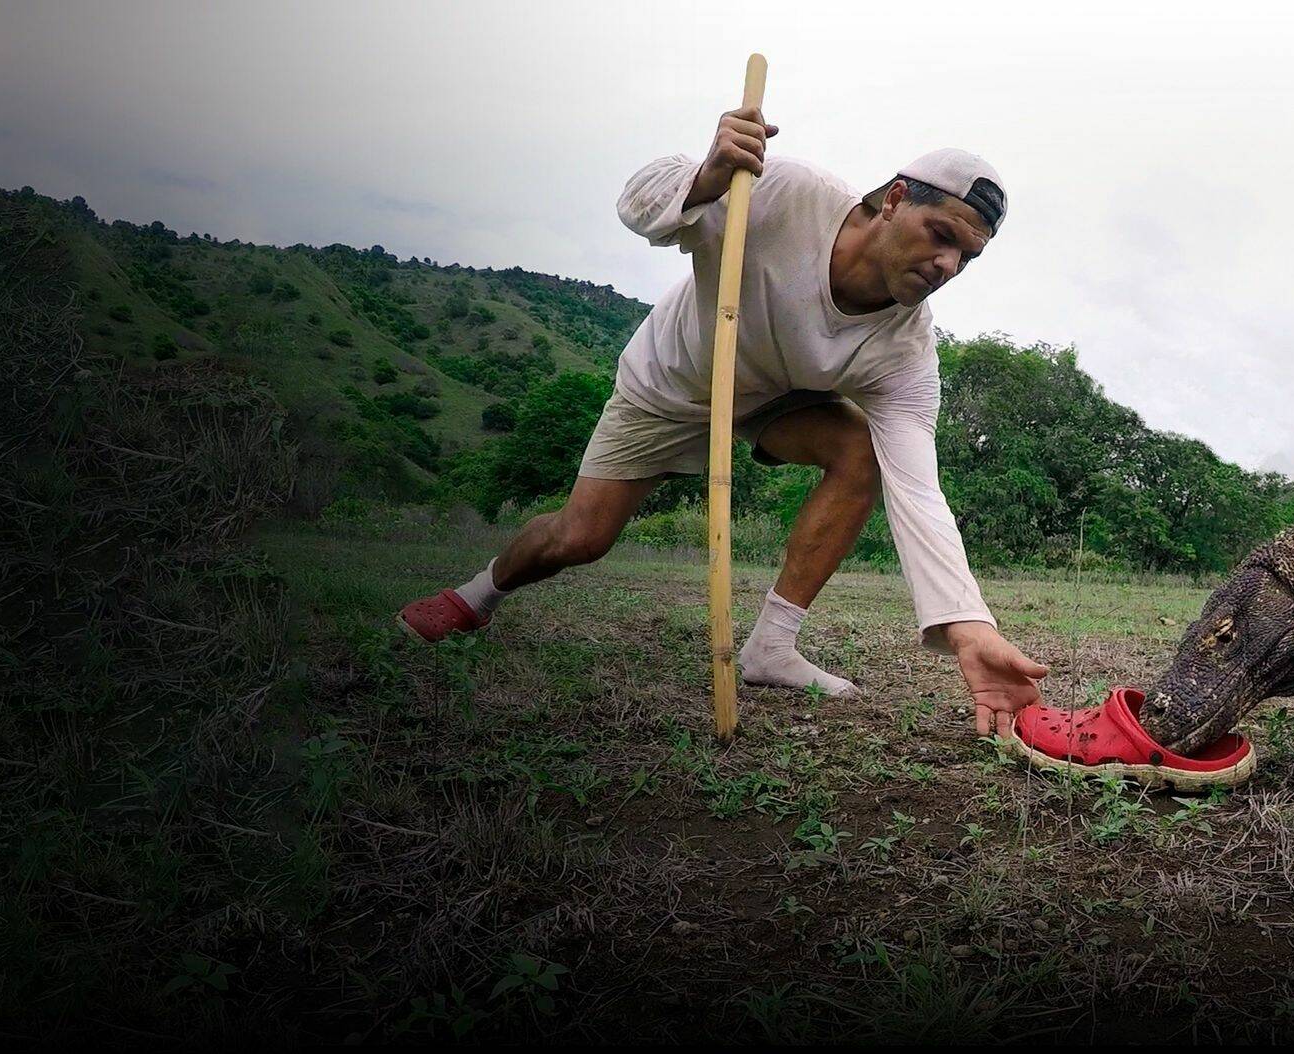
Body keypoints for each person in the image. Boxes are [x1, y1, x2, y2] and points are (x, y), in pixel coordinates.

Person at [398, 104, 1047, 737]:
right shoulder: (788, 194)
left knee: (863, 452)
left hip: (773, 398)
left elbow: (918, 489)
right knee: (581, 537)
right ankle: (475, 597)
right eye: (941, 236)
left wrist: (968, 623)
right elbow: (640, 202)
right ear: (897, 198)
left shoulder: (905, 349)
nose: (947, 267)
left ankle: (772, 649)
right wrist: (706, 177)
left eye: (967, 257)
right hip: (675, 379)